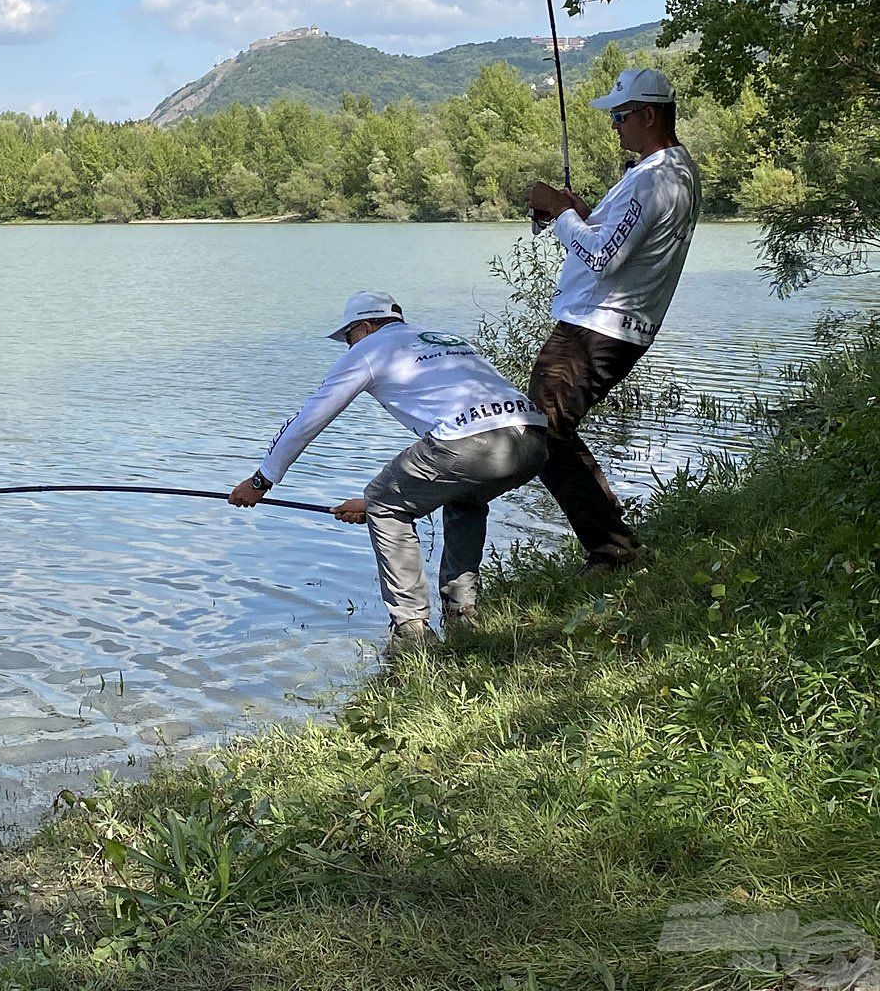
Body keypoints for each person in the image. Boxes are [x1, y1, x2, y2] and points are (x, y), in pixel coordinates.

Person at [230, 293, 550, 646]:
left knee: (385, 503)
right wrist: (374, 502)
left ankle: (411, 631)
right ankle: (462, 616)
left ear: (364, 327)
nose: (347, 347)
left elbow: (309, 419)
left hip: (470, 442)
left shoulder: (369, 350)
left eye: (348, 337)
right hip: (532, 440)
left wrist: (262, 479)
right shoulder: (447, 338)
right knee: (464, 497)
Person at [524, 66, 701, 574]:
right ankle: (611, 541)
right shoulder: (668, 172)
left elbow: (602, 258)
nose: (614, 126)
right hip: (608, 324)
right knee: (550, 430)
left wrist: (560, 214)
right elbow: (615, 237)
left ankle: (611, 548)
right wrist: (580, 212)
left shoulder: (656, 179)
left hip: (597, 327)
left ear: (648, 114)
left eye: (620, 116)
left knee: (542, 433)